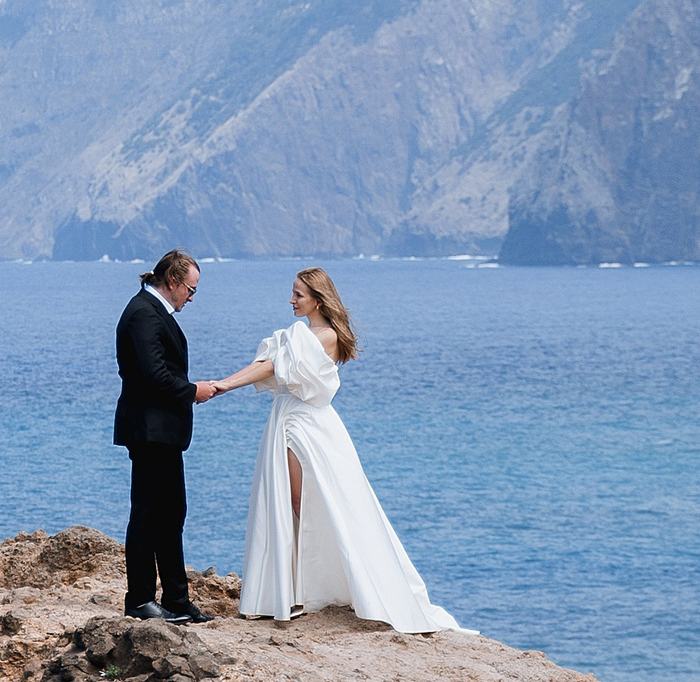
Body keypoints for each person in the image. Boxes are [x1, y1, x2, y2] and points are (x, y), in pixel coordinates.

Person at [201, 267, 458, 632]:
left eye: (298, 295)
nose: (291, 300)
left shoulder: (323, 337)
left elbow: (275, 365)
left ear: (317, 300)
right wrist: (222, 383)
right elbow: (268, 362)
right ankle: (289, 591)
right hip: (290, 419)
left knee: (304, 501)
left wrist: (225, 386)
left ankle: (309, 588)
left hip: (305, 424)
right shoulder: (300, 336)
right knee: (292, 501)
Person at [113, 249, 219, 623]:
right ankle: (140, 598)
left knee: (171, 513)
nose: (191, 297)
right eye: (190, 290)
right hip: (149, 430)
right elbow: (151, 375)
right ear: (172, 282)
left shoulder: (155, 312)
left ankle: (176, 597)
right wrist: (194, 391)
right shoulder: (143, 313)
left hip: (163, 432)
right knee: (147, 514)